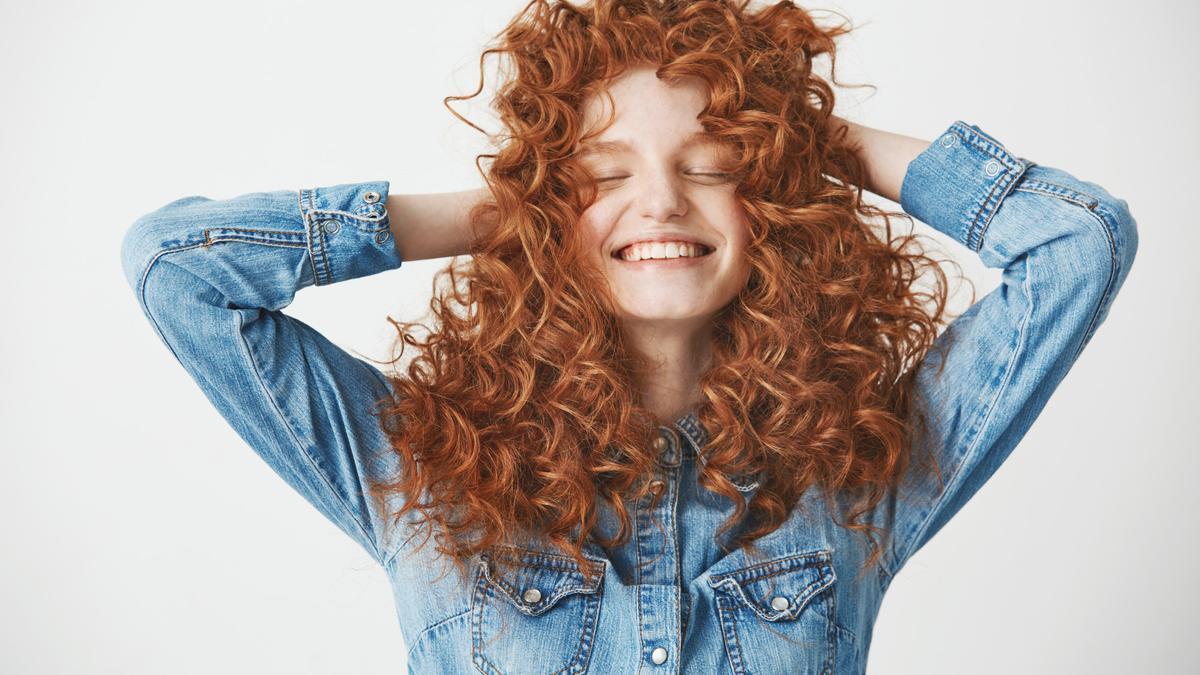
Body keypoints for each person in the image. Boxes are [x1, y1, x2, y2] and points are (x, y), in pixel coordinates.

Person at [118, 1, 1139, 672]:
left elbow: (1076, 244)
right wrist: (508, 209)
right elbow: (177, 269)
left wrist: (799, 136)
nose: (657, 199)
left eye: (709, 164)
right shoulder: (414, 467)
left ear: (768, 201)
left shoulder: (860, 476)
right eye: (605, 174)